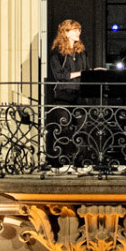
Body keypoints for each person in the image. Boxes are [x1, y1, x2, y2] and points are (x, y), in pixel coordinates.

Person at [43, 18, 89, 168]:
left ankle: (79, 160)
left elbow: (86, 70)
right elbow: (60, 75)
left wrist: (90, 73)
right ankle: (60, 159)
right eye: (75, 30)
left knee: (83, 128)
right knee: (63, 128)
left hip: (79, 94)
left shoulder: (81, 51)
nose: (78, 33)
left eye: (79, 30)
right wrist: (79, 73)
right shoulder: (57, 53)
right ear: (66, 32)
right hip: (64, 94)